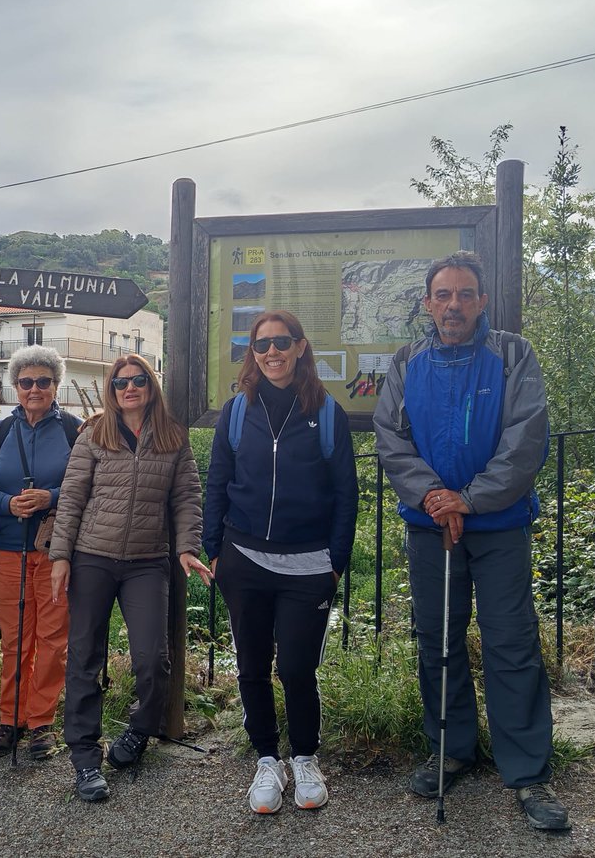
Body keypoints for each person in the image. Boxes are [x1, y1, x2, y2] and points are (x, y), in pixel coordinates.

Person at [372, 251, 569, 831]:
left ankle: (528, 771)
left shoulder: (512, 355)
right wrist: (436, 496)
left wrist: (471, 498)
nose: (453, 305)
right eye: (443, 295)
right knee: (437, 640)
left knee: (512, 644)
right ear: (428, 303)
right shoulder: (408, 362)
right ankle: (450, 748)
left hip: (499, 525)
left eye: (464, 294)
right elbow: (391, 437)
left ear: (481, 300)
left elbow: (526, 437)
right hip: (430, 528)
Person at [202, 310, 358, 815]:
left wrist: (336, 560)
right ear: (254, 352)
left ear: (300, 347)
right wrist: (215, 549)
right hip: (244, 556)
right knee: (250, 666)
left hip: (308, 562)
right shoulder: (237, 411)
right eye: (262, 344)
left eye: (282, 342)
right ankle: (267, 758)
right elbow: (217, 481)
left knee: (296, 667)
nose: (272, 352)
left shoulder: (326, 411)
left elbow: (345, 493)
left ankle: (305, 757)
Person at [50, 355, 208, 802]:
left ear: (151, 385)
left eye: (138, 380)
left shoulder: (174, 438)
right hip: (92, 557)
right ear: (111, 389)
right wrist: (61, 556)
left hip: (147, 561)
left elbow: (187, 498)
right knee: (84, 656)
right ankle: (84, 758)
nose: (130, 389)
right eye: (121, 383)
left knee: (152, 659)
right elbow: (73, 497)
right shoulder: (94, 434)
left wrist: (187, 548)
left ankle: (139, 731)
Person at [0, 344, 79, 760]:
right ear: (15, 387)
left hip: (56, 549)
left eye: (43, 381)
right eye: (26, 382)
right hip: (7, 548)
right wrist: (7, 504)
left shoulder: (74, 429)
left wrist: (49, 497)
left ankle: (42, 722)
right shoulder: (0, 431)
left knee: (54, 639)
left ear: (56, 385)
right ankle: (10, 719)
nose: (34, 388)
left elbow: (87, 483)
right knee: (16, 638)